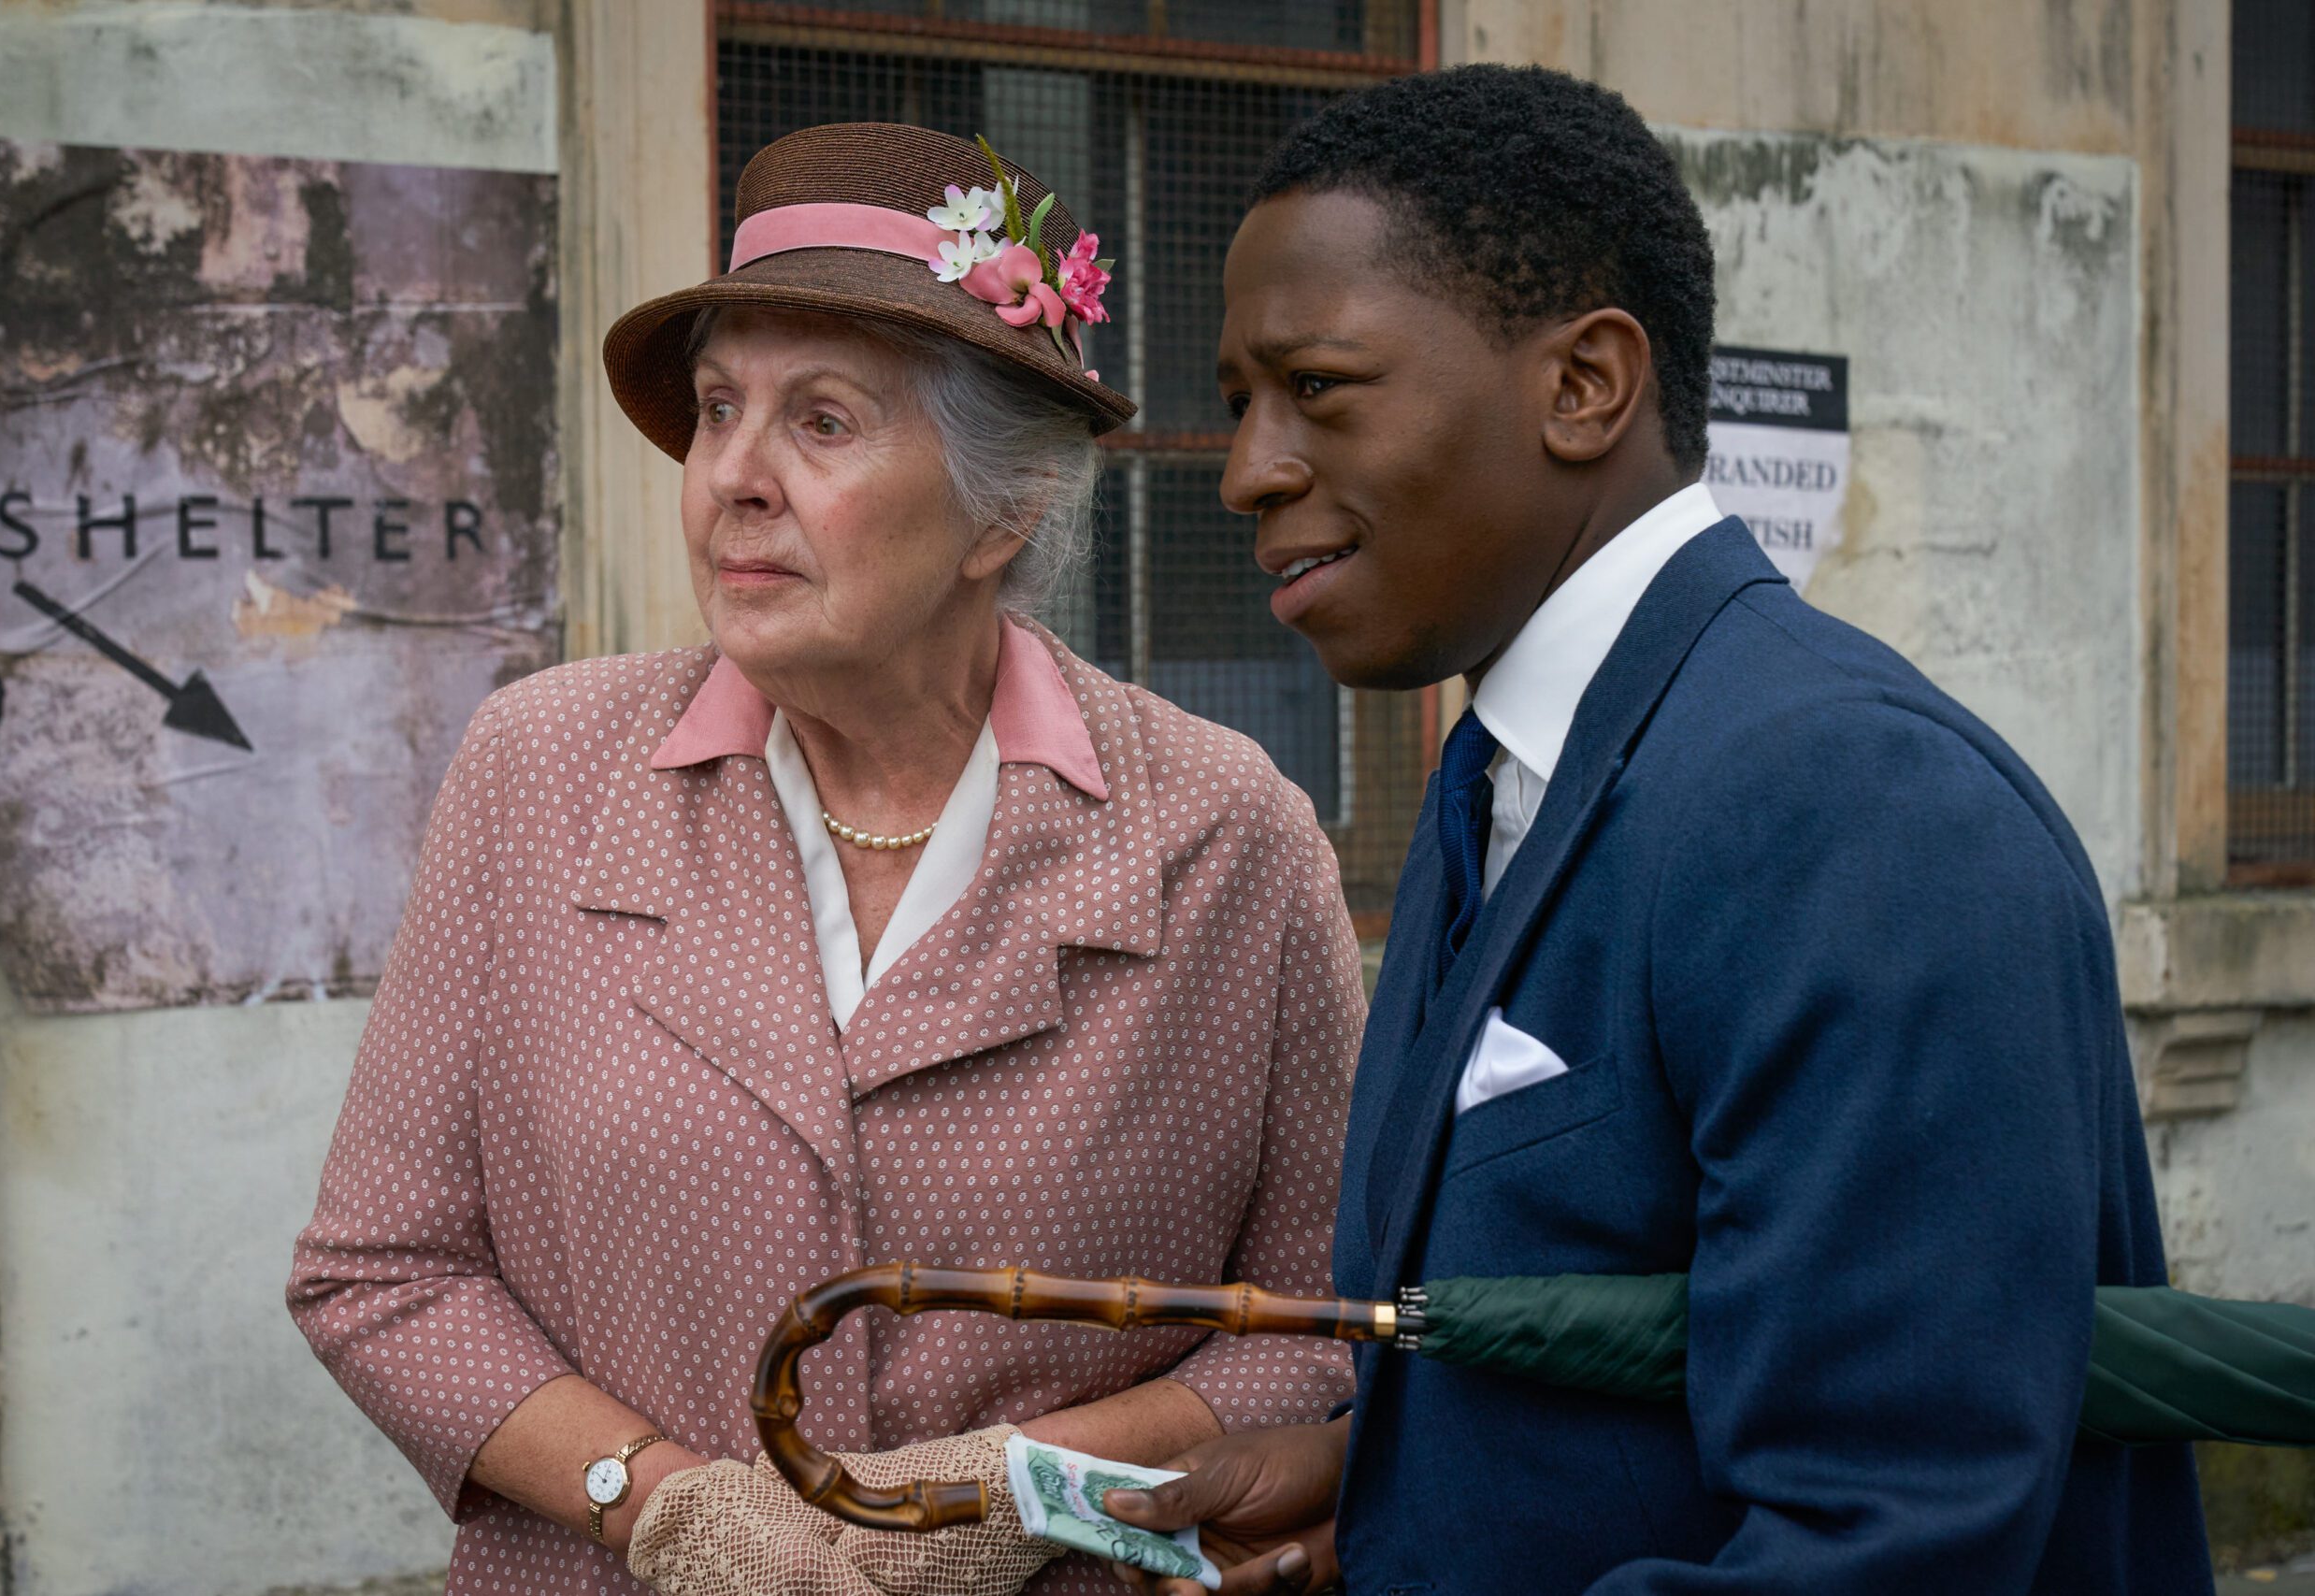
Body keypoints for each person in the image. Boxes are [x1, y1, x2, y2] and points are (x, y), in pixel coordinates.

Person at [1106, 65, 2214, 1595]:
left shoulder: (1854, 811)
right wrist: (1373, 1497)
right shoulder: (1505, 769)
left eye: (1320, 388)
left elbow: (1891, 1540)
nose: (1248, 470)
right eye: (1240, 403)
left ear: (1583, 385)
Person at [287, 122, 1363, 1596]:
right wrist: (653, 1500)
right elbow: (383, 1274)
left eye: (824, 422)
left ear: (1010, 505)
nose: (730, 473)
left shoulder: (1221, 837)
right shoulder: (540, 773)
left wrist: (1025, 1484)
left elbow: (1319, 1329)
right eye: (719, 407)